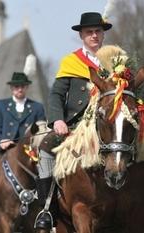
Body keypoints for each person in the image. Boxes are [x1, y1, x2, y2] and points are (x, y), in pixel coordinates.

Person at [34, 12, 112, 230]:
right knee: (45, 147)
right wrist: (58, 120)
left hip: (107, 124)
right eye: (89, 32)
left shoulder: (116, 61)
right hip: (76, 126)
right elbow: (56, 95)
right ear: (82, 35)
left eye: (98, 31)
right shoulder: (71, 61)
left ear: (103, 34)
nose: (94, 35)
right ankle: (46, 208)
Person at [0, 72, 46, 216]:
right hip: (5, 148)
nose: (20, 89)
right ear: (12, 88)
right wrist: (1, 140)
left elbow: (42, 131)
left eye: (23, 86)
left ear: (27, 88)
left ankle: (48, 204)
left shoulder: (37, 107)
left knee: (46, 167)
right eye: (17, 86)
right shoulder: (2, 105)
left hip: (29, 150)